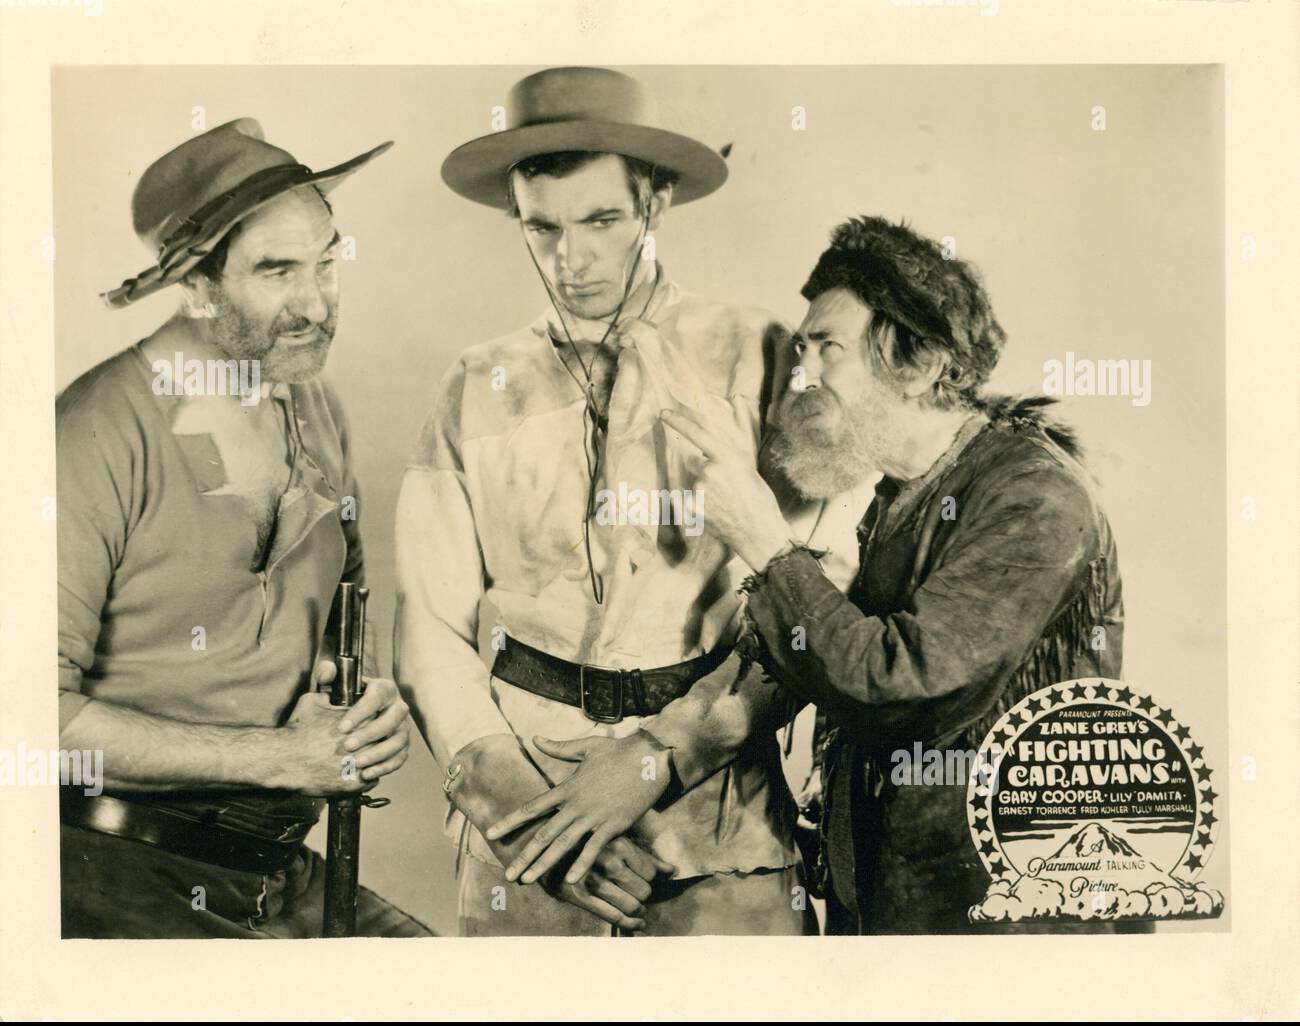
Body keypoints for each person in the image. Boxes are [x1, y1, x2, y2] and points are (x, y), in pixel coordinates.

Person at [506, 214, 1142, 935]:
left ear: (922, 360)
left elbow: (900, 686)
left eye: (827, 349)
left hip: (1019, 941)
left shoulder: (1034, 495)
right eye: (801, 349)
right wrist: (645, 763)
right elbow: (812, 660)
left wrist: (762, 539)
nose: (800, 376)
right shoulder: (899, 498)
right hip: (909, 920)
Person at [395, 67, 861, 935]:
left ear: (657, 201)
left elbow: (818, 590)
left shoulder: (757, 353)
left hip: (723, 824)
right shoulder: (475, 384)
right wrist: (527, 815)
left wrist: (659, 758)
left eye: (602, 221)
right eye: (543, 228)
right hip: (525, 830)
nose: (571, 260)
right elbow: (428, 625)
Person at [58, 118, 430, 938]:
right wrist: (278, 758)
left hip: (275, 874)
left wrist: (364, 707)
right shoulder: (89, 435)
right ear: (197, 284)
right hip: (107, 874)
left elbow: (345, 611)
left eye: (327, 263)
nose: (318, 303)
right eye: (277, 271)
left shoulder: (313, 406)